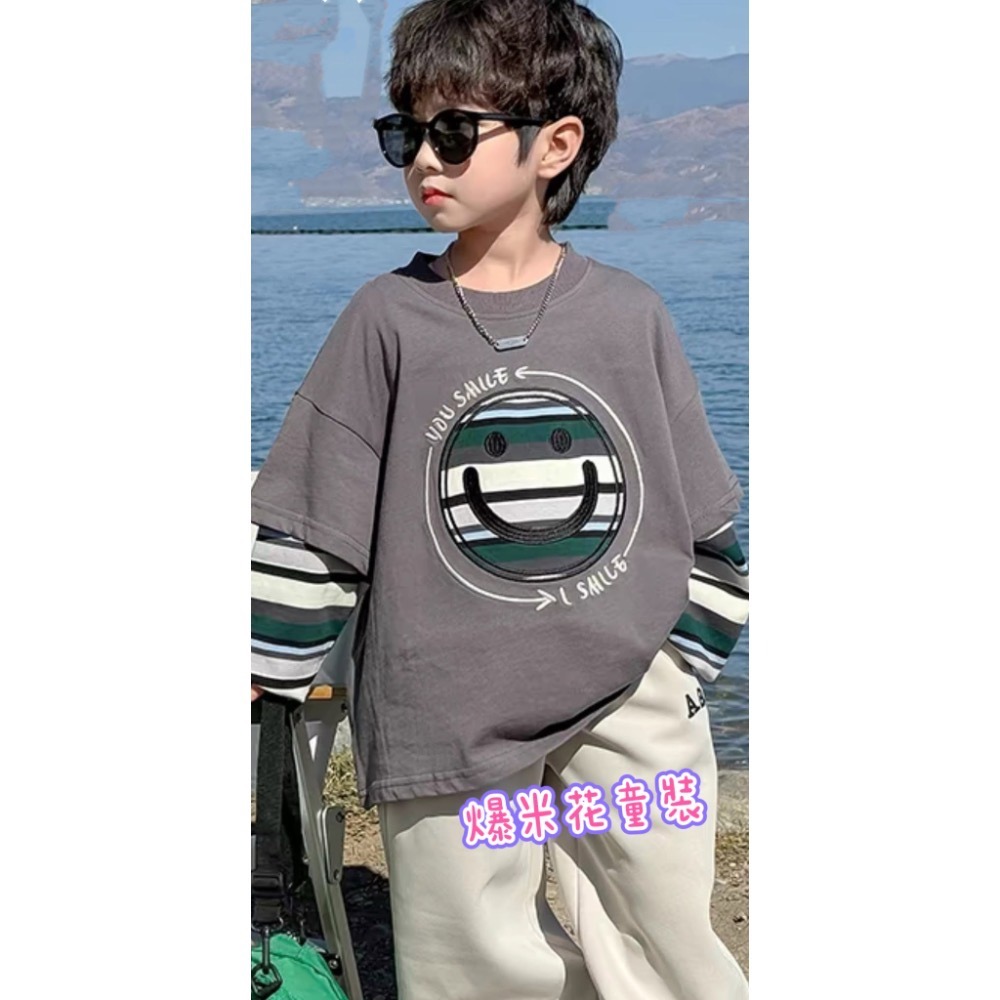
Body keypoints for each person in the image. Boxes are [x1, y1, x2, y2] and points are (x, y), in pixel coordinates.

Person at [251, 1, 750, 996]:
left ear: (555, 144)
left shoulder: (629, 317)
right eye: (404, 133)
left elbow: (706, 524)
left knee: (664, 942)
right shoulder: (388, 319)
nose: (421, 160)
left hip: (627, 707)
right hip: (448, 716)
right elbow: (316, 523)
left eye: (453, 131)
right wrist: (265, 670)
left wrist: (679, 670)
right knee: (474, 957)